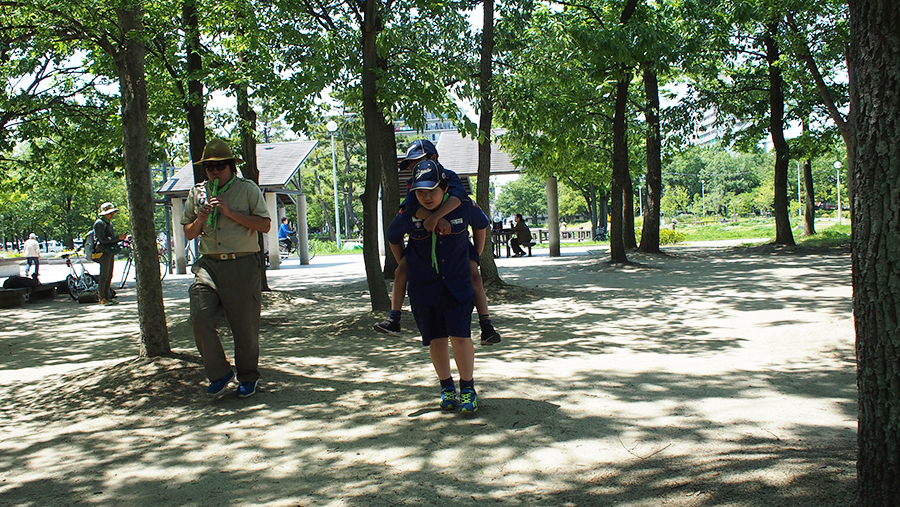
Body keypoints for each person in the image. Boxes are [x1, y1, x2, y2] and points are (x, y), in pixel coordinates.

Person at [374, 139, 501, 345]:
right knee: (401, 271)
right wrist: (405, 257)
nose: (413, 167)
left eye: (417, 161)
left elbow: (459, 201)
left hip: (456, 246)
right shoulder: (413, 184)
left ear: (434, 158)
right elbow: (410, 208)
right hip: (423, 248)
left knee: (473, 273)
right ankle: (394, 318)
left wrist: (474, 253)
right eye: (410, 164)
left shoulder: (449, 177)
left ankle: (486, 325)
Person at [386, 160, 489, 413]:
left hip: (457, 285)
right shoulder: (409, 212)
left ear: (444, 188)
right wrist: (405, 262)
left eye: (432, 191)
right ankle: (446, 389)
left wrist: (476, 254)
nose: (427, 197)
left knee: (461, 338)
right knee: (436, 340)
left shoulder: (462, 207)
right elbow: (393, 236)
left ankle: (467, 389)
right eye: (421, 192)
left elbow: (482, 223)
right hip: (425, 288)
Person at [182, 138, 271, 399]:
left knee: (244, 327)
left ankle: (247, 376)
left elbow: (264, 226)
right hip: (208, 265)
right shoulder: (197, 193)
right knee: (200, 319)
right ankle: (219, 372)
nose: (214, 171)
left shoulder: (247, 189)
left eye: (220, 166)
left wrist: (231, 213)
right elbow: (188, 234)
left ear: (231, 166)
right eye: (209, 167)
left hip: (242, 264)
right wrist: (199, 217)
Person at [94, 202, 126, 304]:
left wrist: (119, 239)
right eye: (110, 213)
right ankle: (102, 298)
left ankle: (108, 296)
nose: (112, 215)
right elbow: (103, 240)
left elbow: (111, 239)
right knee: (104, 275)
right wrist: (117, 238)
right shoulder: (99, 223)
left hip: (109, 251)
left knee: (109, 275)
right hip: (103, 251)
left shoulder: (109, 223)